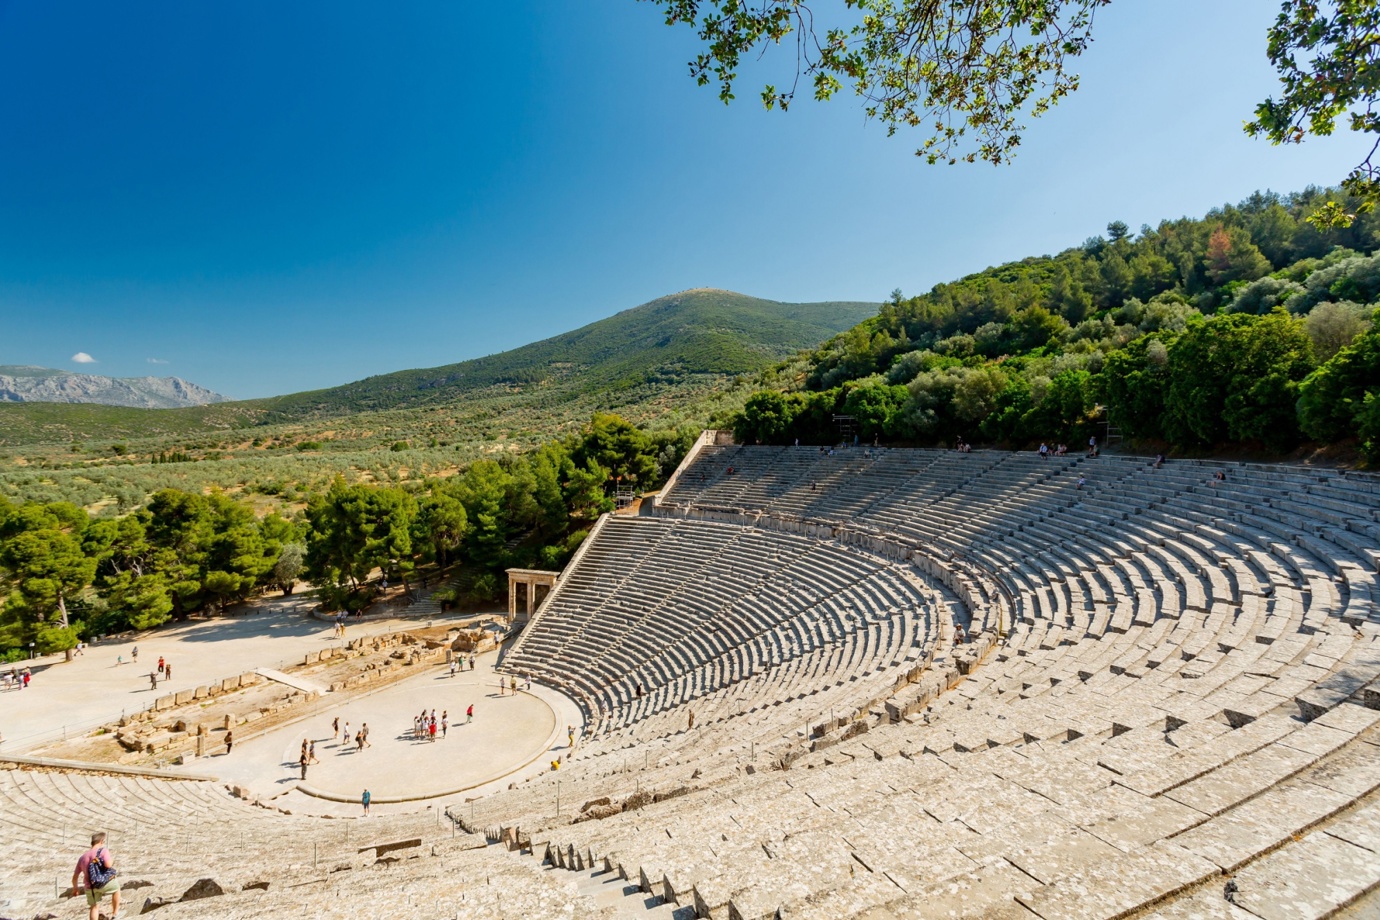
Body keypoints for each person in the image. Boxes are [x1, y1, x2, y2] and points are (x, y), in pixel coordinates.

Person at [73, 832, 121, 920]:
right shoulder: (103, 851)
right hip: (104, 882)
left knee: (94, 907)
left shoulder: (82, 857)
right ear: (101, 841)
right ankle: (115, 913)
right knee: (116, 889)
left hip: (90, 886)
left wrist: (75, 889)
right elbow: (108, 865)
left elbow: (75, 877)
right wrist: (112, 860)